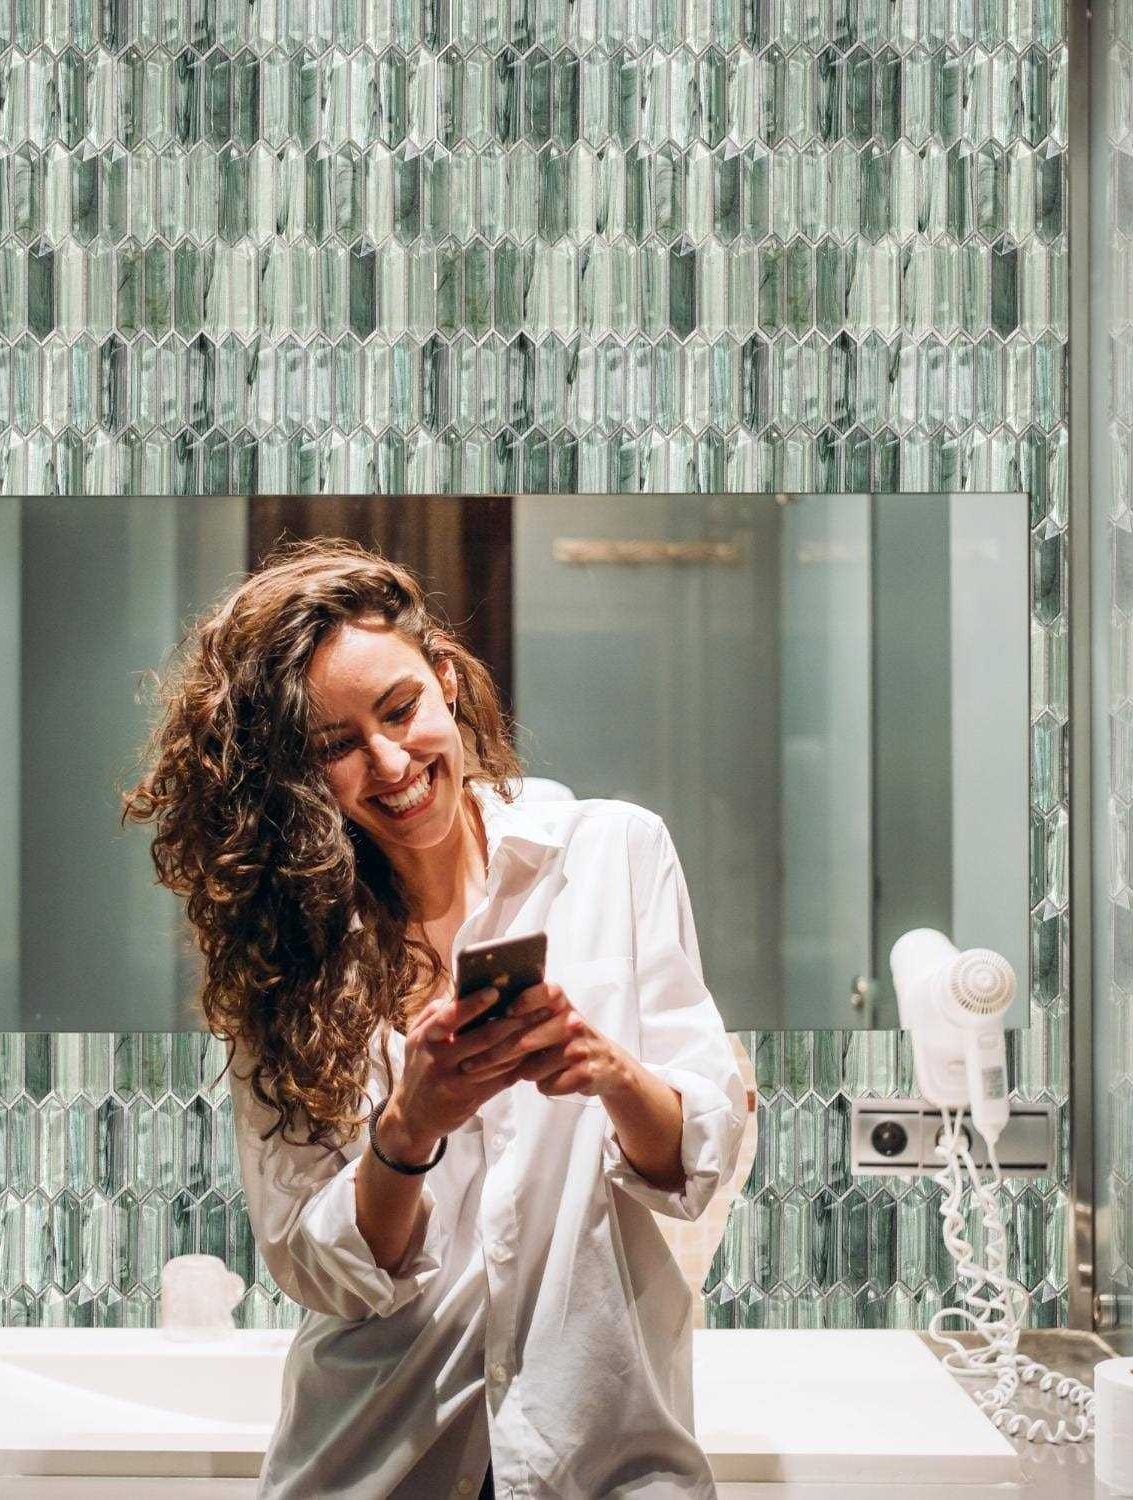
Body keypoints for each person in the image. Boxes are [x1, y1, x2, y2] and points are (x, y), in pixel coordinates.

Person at [125, 537, 746, 1499]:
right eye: (334, 747)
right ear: (297, 774)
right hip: (381, 1461)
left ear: (446, 682)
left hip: (605, 1459)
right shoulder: (284, 953)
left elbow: (696, 1162)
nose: (389, 763)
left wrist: (608, 1071)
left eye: (400, 709)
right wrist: (408, 1129)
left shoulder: (612, 855)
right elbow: (318, 1267)